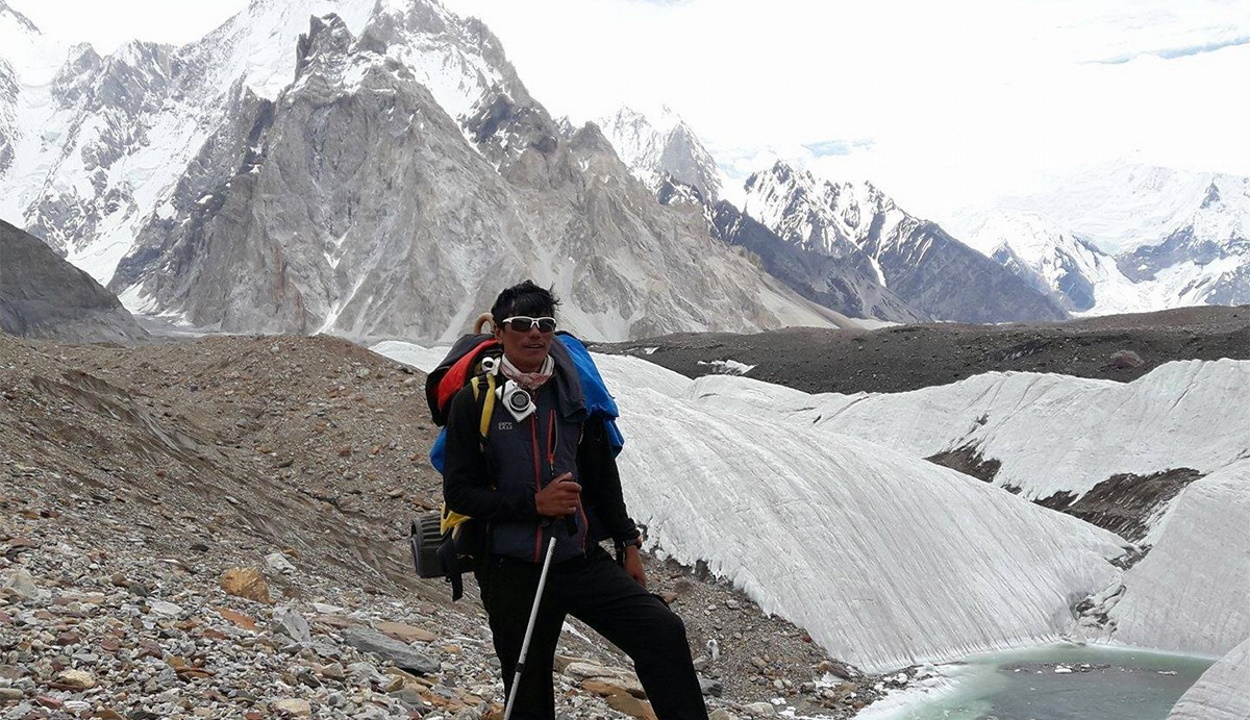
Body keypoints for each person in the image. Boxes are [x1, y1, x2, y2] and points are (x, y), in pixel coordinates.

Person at [441, 280, 709, 720]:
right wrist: (535, 504)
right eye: (522, 324)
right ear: (499, 334)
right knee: (528, 691)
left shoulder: (573, 393)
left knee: (661, 630)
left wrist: (628, 544)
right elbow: (460, 492)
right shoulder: (476, 402)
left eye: (544, 324)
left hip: (577, 556)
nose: (535, 334)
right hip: (510, 569)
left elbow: (603, 475)